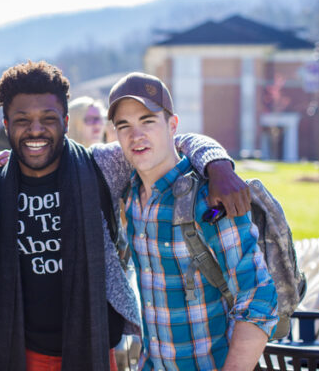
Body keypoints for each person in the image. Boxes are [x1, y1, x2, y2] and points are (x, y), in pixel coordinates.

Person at [0, 61, 249, 371]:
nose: (35, 130)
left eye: (48, 118)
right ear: (6, 125)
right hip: (22, 351)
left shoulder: (100, 165)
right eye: (22, 120)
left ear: (65, 121)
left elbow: (168, 141)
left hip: (94, 345)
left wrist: (216, 163)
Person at [108, 72, 278, 371]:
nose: (136, 136)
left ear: (172, 125)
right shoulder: (130, 196)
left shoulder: (209, 198)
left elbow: (258, 298)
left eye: (148, 121)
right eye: (125, 126)